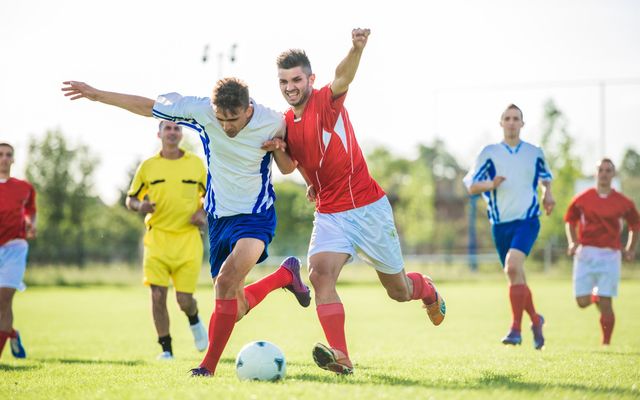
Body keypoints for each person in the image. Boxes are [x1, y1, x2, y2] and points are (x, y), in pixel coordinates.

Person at [61, 77, 311, 376]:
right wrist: (98, 95)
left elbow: (289, 166)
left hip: (256, 216)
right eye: (221, 119)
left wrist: (288, 159)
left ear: (248, 109)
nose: (227, 127)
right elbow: (148, 106)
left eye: (234, 119)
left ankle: (207, 367)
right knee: (237, 308)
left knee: (224, 282)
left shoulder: (273, 120)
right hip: (219, 219)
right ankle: (285, 274)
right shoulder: (200, 110)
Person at [274, 29, 446, 375]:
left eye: (296, 79)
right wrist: (282, 152)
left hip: (367, 209)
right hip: (329, 214)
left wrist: (356, 48)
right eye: (283, 81)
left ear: (310, 79)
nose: (290, 86)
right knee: (320, 276)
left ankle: (426, 289)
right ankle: (341, 355)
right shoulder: (284, 122)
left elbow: (343, 76)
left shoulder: (325, 100)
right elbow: (290, 166)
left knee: (398, 291)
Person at [463, 104, 555, 350]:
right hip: (500, 224)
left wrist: (548, 195)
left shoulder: (534, 152)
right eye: (507, 118)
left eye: (516, 119)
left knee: (512, 267)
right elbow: (471, 186)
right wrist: (490, 184)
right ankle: (536, 320)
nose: (512, 122)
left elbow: (546, 177)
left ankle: (515, 329)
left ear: (522, 124)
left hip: (527, 220)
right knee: (516, 274)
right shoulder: (490, 153)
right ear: (501, 123)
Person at [125, 120, 208, 360]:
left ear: (181, 134)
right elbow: (130, 199)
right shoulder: (148, 166)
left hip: (188, 240)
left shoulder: (195, 164)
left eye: (177, 129)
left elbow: (212, 195)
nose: (172, 132)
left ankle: (194, 318)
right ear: (159, 134)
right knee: (157, 295)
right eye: (168, 128)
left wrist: (202, 212)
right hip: (157, 239)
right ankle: (167, 350)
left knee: (184, 300)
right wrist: (141, 205)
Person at [564, 158, 639, 346]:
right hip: (586, 253)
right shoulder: (583, 199)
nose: (604, 173)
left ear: (613, 174)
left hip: (610, 255)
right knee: (581, 301)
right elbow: (570, 221)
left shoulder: (623, 202)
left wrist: (630, 248)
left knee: (606, 303)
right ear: (595, 174)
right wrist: (573, 242)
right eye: (601, 170)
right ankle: (596, 295)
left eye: (608, 170)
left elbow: (635, 225)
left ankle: (606, 343)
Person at [0, 142, 35, 360]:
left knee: (3, 300)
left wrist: (31, 223)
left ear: (13, 160)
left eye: (8, 155)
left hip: (15, 247)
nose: (4, 158)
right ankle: (12, 333)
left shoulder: (25, 187)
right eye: (0, 154)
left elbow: (31, 212)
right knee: (3, 305)